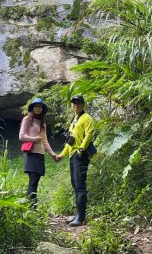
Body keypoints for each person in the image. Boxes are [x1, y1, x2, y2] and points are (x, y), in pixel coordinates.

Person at [55, 94, 95, 226]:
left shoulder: (87, 118)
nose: (76, 105)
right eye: (74, 103)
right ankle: (78, 214)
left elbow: (89, 134)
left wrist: (82, 149)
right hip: (73, 155)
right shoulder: (75, 120)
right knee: (75, 184)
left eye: (78, 103)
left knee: (80, 185)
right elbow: (70, 141)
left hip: (81, 155)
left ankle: (81, 217)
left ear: (83, 105)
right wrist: (61, 155)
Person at [19, 97, 58, 207]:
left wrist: (52, 154)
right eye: (36, 106)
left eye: (40, 106)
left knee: (35, 181)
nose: (38, 108)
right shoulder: (27, 119)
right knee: (33, 181)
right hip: (31, 153)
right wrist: (34, 139)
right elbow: (21, 136)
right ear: (32, 108)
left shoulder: (42, 124)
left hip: (40, 155)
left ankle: (30, 206)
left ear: (42, 109)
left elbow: (45, 140)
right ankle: (32, 207)